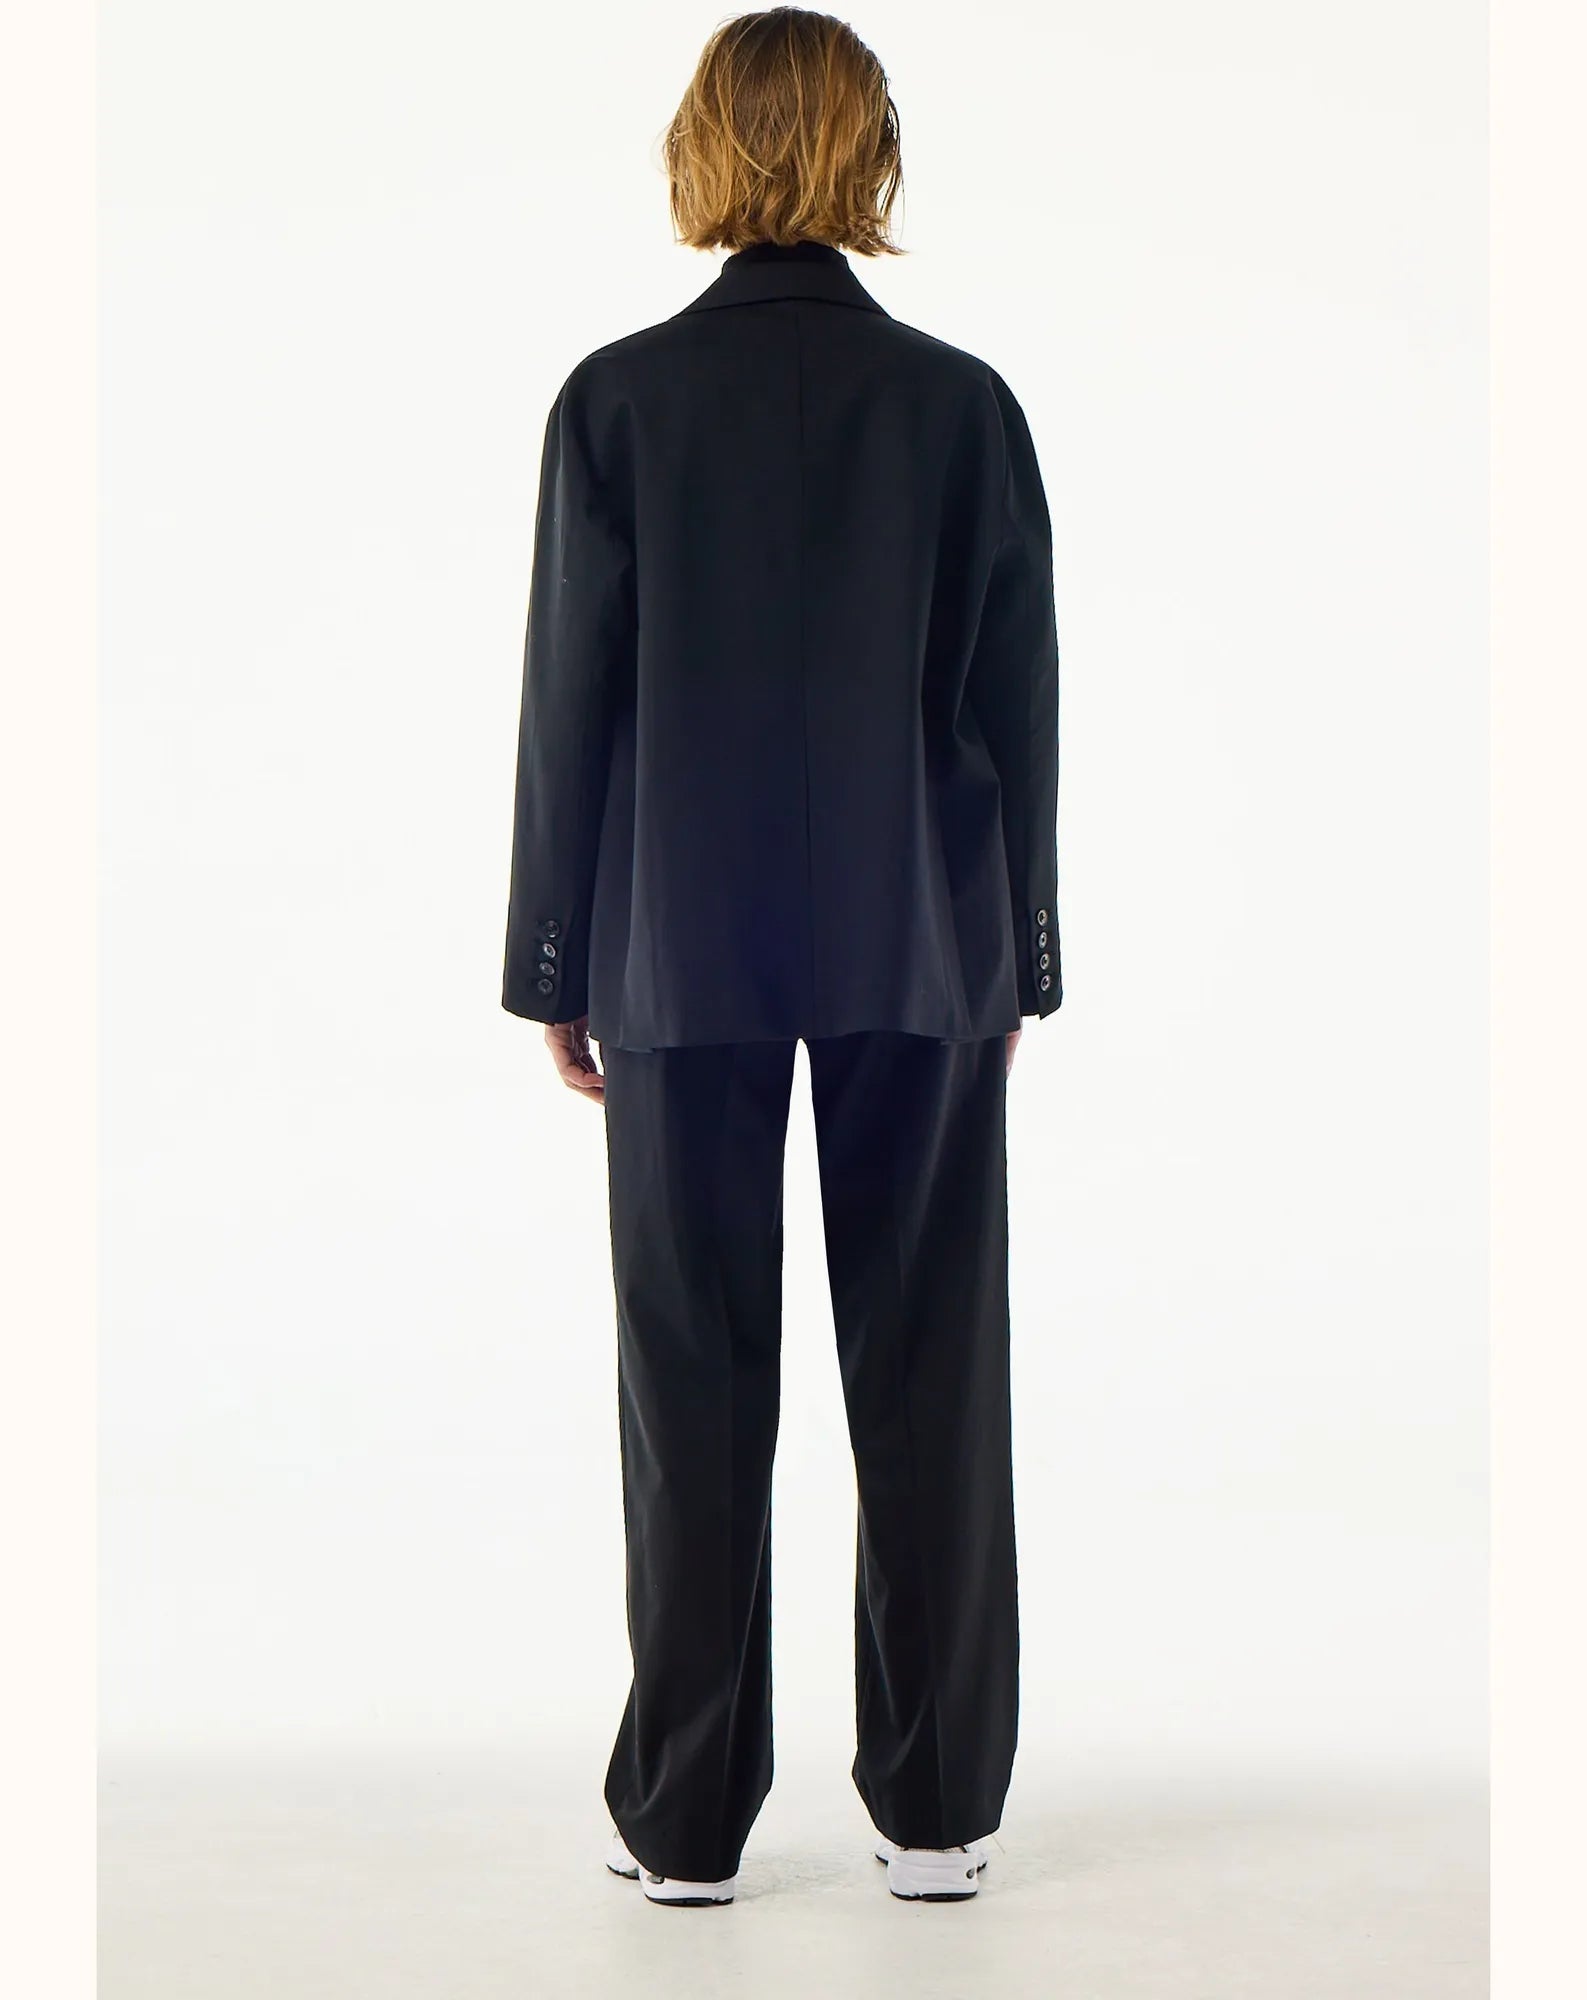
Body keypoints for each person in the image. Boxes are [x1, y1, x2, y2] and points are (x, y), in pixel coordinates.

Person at [503, 7, 1061, 1907]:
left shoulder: (616, 405)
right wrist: (1019, 959)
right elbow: (1016, 708)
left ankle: (683, 1824)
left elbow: (569, 708)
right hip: (923, 937)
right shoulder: (963, 408)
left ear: (700, 148)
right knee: (932, 1365)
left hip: (676, 944)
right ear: (870, 151)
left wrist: (556, 960)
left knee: (689, 1373)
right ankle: (939, 1810)